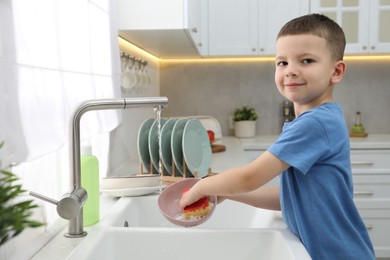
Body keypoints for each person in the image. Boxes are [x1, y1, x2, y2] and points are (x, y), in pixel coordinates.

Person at [180, 14, 375, 260]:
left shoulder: (315, 123)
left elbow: (250, 177)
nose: (291, 71)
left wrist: (204, 185)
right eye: (282, 62)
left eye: (306, 60)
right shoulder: (314, 121)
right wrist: (227, 192)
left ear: (336, 71)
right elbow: (290, 198)